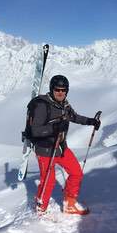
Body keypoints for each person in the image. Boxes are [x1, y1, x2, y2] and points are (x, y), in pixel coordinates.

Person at [30, 75, 101, 215]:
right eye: (57, 89)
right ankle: (40, 209)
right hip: (45, 150)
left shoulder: (65, 105)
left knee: (76, 173)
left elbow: (74, 117)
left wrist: (91, 121)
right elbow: (35, 131)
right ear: (52, 89)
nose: (60, 92)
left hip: (61, 147)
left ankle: (69, 204)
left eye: (64, 90)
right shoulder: (42, 106)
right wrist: (54, 128)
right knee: (48, 182)